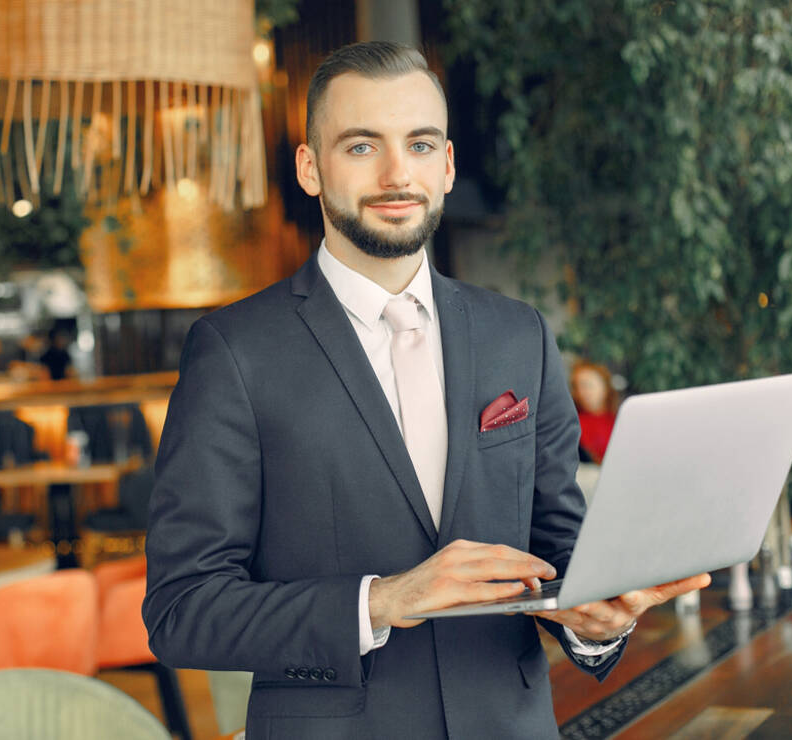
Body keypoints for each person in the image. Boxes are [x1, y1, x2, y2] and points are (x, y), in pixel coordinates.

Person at [143, 41, 709, 739]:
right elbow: (181, 611)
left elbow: (558, 550)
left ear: (445, 165)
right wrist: (382, 601)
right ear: (310, 168)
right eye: (360, 147)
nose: (394, 173)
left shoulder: (520, 336)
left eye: (418, 144)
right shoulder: (233, 351)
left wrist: (596, 622)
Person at [570, 360, 619, 464]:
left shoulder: (619, 419)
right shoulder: (573, 423)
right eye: (578, 386)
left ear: (605, 386)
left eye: (588, 385)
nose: (583, 392)